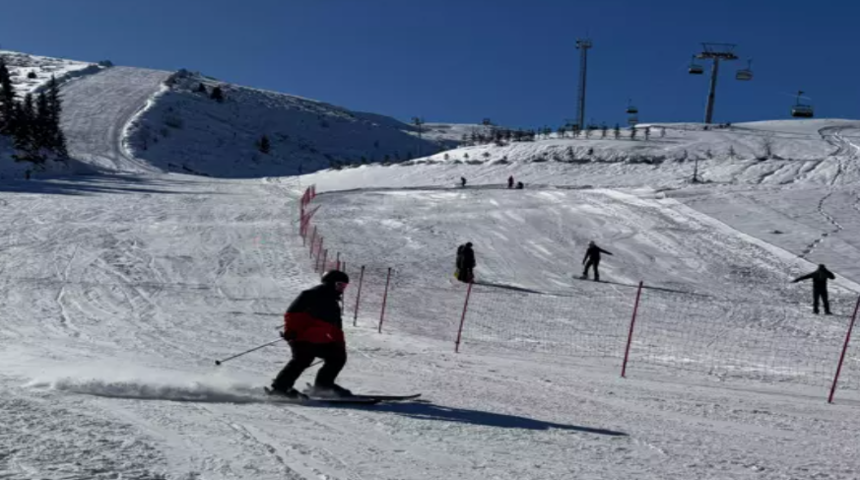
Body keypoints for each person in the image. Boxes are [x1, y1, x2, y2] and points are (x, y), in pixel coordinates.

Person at [270, 270, 353, 399]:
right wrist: (291, 330)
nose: (342, 289)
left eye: (344, 286)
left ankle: (323, 386)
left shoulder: (333, 302)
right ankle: (280, 388)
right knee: (302, 359)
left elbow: (337, 327)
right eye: (339, 285)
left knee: (337, 357)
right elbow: (292, 314)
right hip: (301, 336)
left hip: (319, 338)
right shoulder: (311, 294)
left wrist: (339, 343)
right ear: (330, 283)